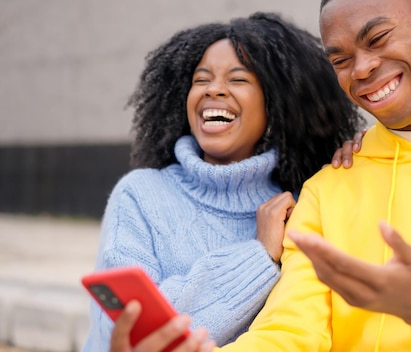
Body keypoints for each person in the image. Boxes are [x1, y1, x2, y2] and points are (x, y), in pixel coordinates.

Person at [109, 0, 411, 351]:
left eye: (377, 39)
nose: (362, 68)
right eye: (339, 59)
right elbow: (290, 332)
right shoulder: (330, 186)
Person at [81, 11, 365, 352]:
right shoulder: (140, 195)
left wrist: (357, 163)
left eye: (238, 79)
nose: (214, 90)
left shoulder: (300, 205)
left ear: (276, 105)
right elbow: (130, 332)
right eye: (201, 80)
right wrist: (257, 256)